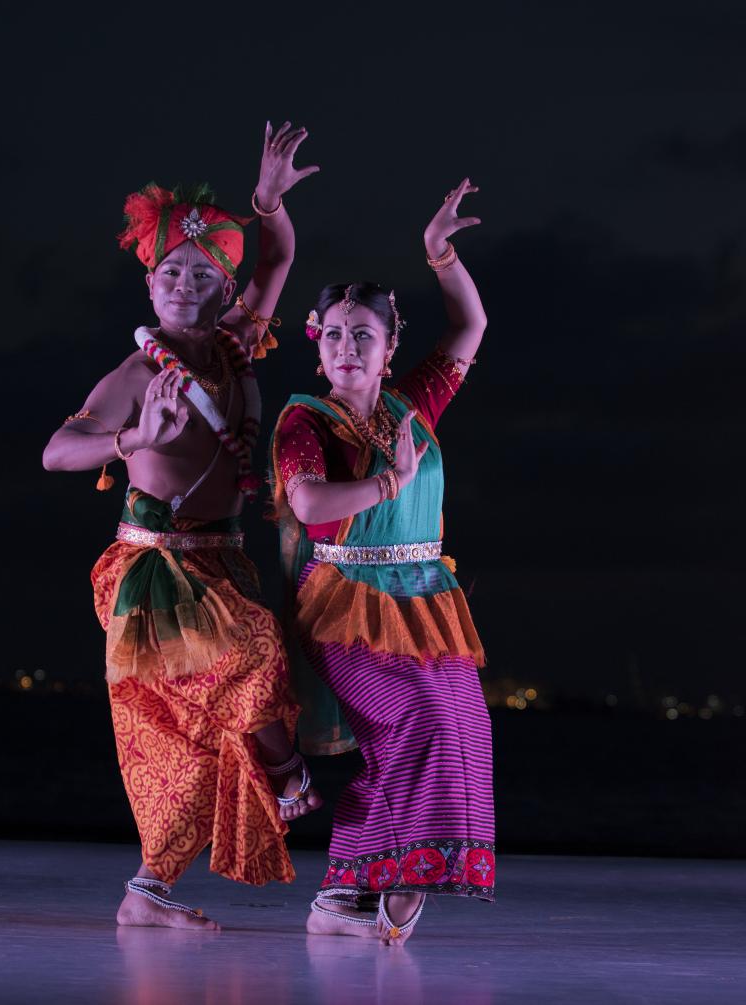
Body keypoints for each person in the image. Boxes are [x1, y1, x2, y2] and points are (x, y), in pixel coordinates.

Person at [43, 121, 322, 930]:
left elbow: (276, 259)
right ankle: (291, 771)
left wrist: (267, 202)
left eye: (203, 274)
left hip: (221, 561)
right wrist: (134, 439)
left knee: (190, 746)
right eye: (170, 271)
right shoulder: (138, 373)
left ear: (224, 291)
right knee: (254, 650)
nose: (184, 285)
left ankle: (148, 891)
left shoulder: (236, 350)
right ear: (150, 283)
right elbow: (60, 451)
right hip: (154, 574)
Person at [271, 178, 495, 946]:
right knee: (411, 724)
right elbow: (305, 503)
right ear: (318, 341)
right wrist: (387, 480)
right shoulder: (306, 417)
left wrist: (440, 255)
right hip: (343, 596)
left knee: (464, 726)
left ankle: (349, 891)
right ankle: (362, 880)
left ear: (390, 345)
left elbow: (471, 323)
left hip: (425, 595)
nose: (346, 348)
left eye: (363, 334)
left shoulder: (413, 403)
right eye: (333, 333)